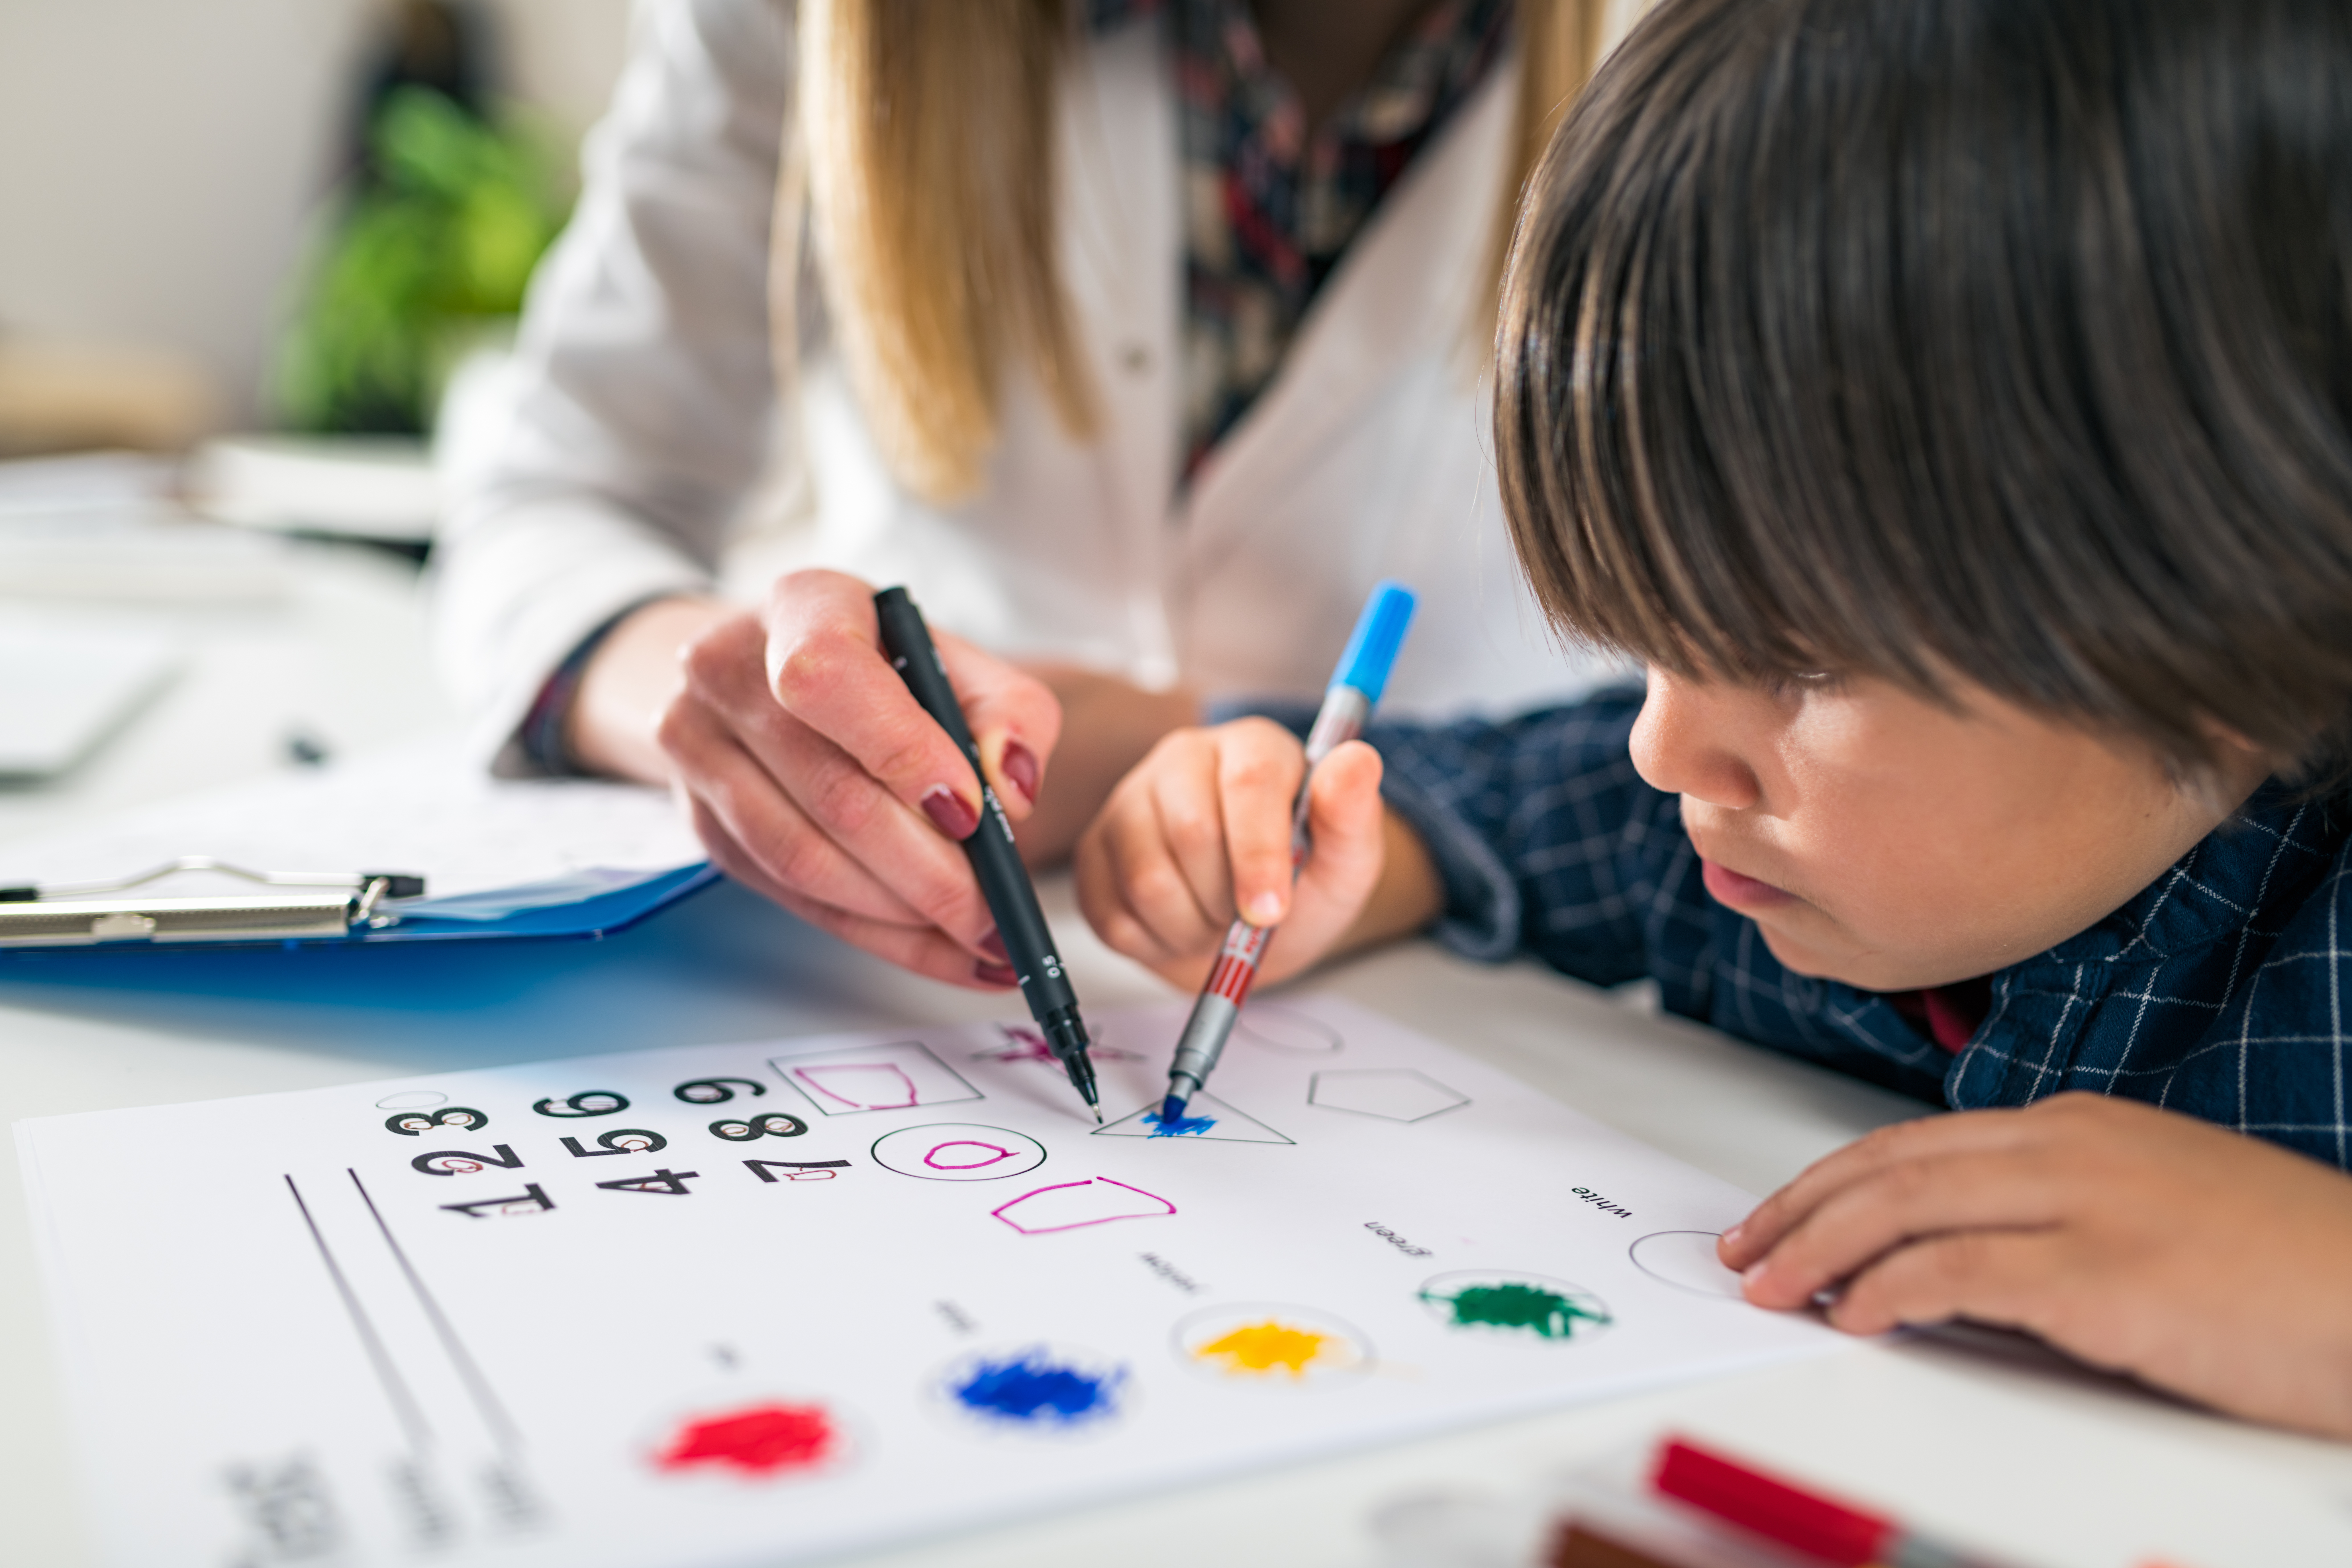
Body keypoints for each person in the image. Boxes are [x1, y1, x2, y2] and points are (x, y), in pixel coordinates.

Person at [1071, 0, 2352, 1437]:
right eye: (1652, 639)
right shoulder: (1787, 832)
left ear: (2256, 605)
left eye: (1798, 663)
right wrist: (1307, 834)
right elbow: (1506, 808)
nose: (1662, 750)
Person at [431, 0, 1642, 990]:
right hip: (868, 972)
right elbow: (549, 501)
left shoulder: (1763, 57)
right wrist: (744, 713)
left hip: (1501, 985)